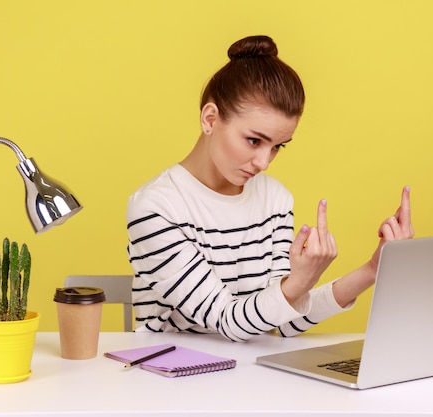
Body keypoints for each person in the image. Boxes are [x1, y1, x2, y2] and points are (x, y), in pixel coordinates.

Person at [126, 35, 414, 342]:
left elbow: (281, 320)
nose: (264, 162)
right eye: (254, 140)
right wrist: (299, 281)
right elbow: (229, 321)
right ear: (210, 119)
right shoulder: (155, 208)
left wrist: (372, 269)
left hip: (251, 374)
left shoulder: (274, 198)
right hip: (172, 378)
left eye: (278, 146)